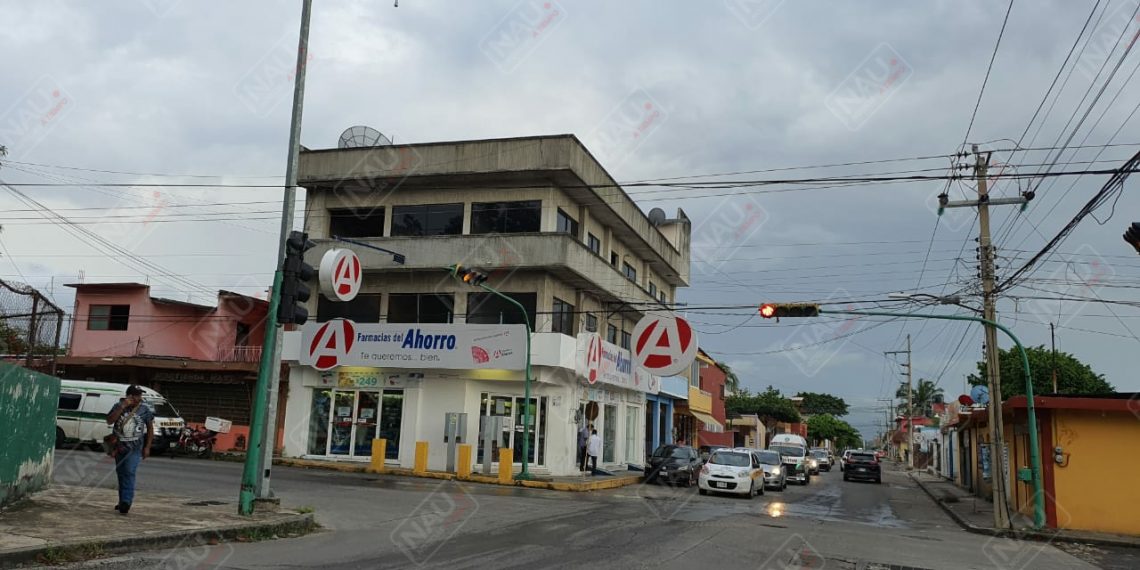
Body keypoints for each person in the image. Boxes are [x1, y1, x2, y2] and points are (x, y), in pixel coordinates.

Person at [106, 385, 155, 515]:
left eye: (140, 395)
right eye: (137, 395)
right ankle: (122, 500)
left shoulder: (145, 410)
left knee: (129, 472)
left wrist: (148, 447)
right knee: (121, 473)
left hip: (135, 448)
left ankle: (126, 502)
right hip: (119, 447)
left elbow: (150, 428)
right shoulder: (118, 406)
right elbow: (109, 421)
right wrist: (122, 407)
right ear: (130, 396)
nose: (140, 398)